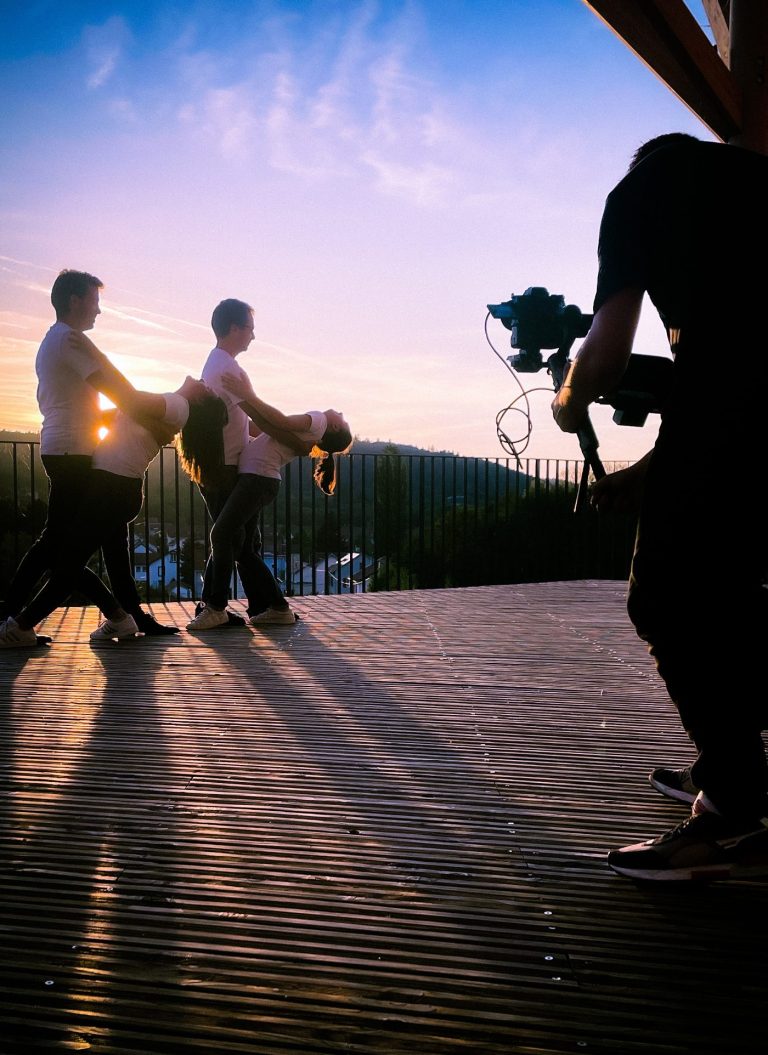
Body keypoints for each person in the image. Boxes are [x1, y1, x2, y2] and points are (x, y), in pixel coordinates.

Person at [551, 132, 768, 881]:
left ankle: (733, 804)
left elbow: (607, 352)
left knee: (666, 599)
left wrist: (566, 396)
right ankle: (734, 760)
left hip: (733, 394)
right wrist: (652, 471)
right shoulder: (745, 183)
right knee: (738, 591)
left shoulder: (637, 194)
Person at [0, 269, 179, 639]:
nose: (99, 311)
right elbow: (119, 393)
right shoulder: (70, 340)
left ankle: (129, 616)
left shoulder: (57, 340)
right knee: (59, 545)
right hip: (72, 452)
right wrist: (169, 410)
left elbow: (95, 406)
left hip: (68, 447)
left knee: (112, 538)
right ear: (75, 301)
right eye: (94, 302)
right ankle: (16, 616)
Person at [0, 377, 225, 647]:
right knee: (116, 562)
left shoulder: (177, 405)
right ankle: (130, 618)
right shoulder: (172, 404)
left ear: (200, 400)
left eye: (208, 388)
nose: (204, 380)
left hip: (113, 490)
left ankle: (22, 626)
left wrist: (96, 375)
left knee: (68, 563)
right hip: (116, 489)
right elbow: (119, 412)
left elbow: (128, 400)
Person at [183, 367, 352, 628]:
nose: (340, 412)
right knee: (244, 548)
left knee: (222, 536)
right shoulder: (316, 428)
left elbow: (279, 421)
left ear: (335, 426)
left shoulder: (318, 419)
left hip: (257, 480)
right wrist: (237, 413)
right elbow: (264, 427)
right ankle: (271, 607)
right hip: (257, 480)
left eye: (343, 418)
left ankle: (219, 607)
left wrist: (245, 395)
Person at [186, 299, 308, 631]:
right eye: (251, 329)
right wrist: (301, 442)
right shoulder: (227, 369)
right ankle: (229, 607)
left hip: (233, 466)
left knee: (235, 541)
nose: (253, 337)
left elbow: (246, 424)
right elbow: (262, 419)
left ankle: (240, 606)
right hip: (224, 467)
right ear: (236, 328)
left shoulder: (220, 365)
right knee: (231, 539)